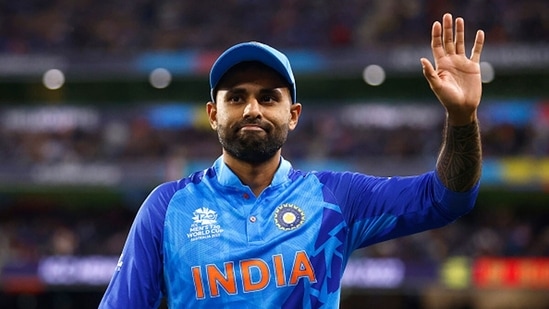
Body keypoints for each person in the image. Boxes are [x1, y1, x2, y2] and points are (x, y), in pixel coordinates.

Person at [99, 13, 484, 308]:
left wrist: (463, 119)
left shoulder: (336, 198)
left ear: (294, 114)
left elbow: (446, 198)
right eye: (235, 97)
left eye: (269, 97)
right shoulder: (166, 208)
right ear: (213, 114)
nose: (252, 109)